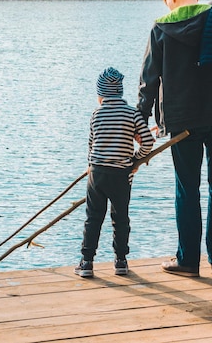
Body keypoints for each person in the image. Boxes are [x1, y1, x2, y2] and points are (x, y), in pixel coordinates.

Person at [137, 0, 212, 276]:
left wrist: (139, 122)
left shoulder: (161, 29)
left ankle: (188, 261)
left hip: (184, 120)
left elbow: (149, 80)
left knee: (187, 190)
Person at [75, 67, 154, 278]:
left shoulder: (96, 114)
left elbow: (91, 145)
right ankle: (120, 261)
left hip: (97, 174)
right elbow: (148, 141)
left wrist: (90, 165)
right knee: (120, 218)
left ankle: (87, 262)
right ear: (120, 92)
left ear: (100, 94)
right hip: (121, 174)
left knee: (93, 218)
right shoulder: (132, 114)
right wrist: (136, 159)